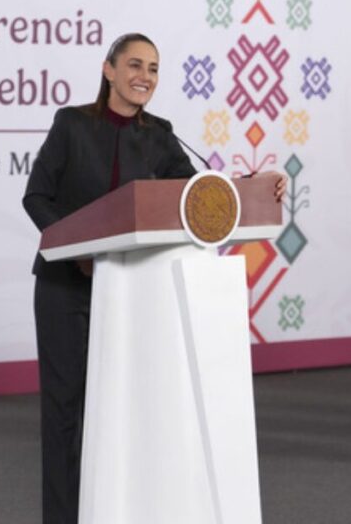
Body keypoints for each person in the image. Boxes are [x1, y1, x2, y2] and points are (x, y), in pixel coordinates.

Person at [23, 33, 284, 523]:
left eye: (154, 68)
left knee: (119, 412)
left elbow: (197, 195)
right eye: (135, 65)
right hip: (67, 289)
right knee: (64, 416)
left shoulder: (161, 135)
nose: (145, 76)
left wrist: (255, 188)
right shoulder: (72, 124)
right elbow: (36, 196)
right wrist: (75, 250)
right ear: (109, 70)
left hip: (129, 292)